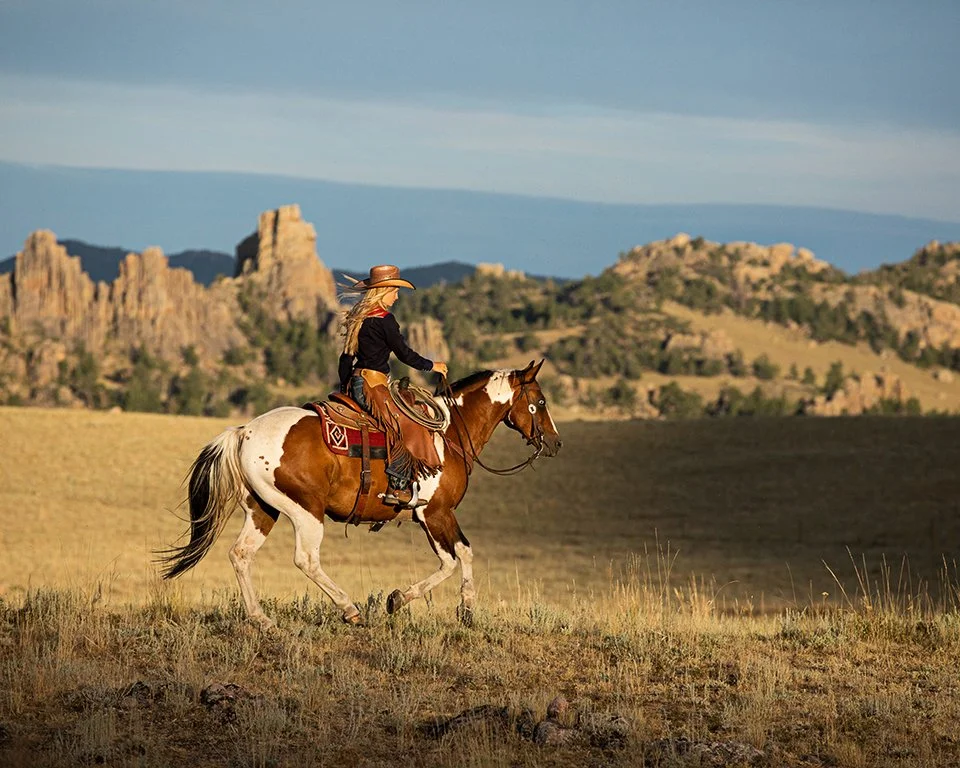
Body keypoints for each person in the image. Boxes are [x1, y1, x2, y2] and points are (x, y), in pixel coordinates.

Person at [337, 265, 448, 508]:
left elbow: (346, 358)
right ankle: (397, 488)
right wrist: (432, 366)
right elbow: (404, 354)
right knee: (405, 425)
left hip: (357, 381)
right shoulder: (385, 321)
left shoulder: (360, 317)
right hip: (373, 385)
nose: (397, 296)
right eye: (395, 290)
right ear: (384, 290)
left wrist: (346, 385)